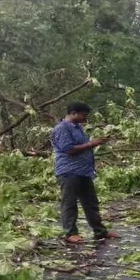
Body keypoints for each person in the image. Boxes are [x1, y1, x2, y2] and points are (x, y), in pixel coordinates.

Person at [51, 102, 119, 244]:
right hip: (69, 171)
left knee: (91, 203)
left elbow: (82, 147)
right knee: (69, 203)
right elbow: (69, 149)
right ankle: (70, 233)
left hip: (83, 171)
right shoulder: (62, 128)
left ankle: (100, 231)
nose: (85, 118)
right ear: (73, 113)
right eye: (83, 115)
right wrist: (91, 144)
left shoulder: (78, 128)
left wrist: (96, 143)